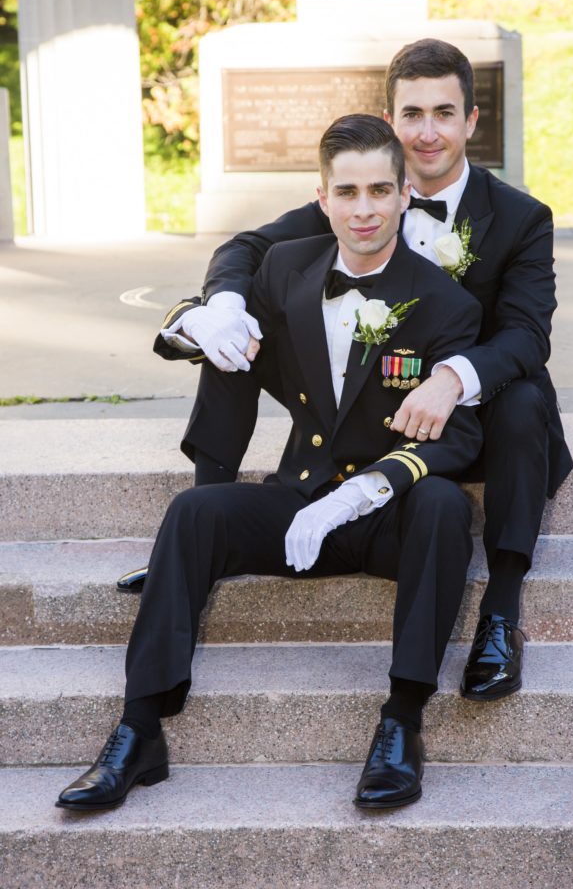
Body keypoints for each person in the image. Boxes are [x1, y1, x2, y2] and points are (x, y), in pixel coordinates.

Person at [121, 37, 573, 703]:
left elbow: (527, 334)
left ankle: (501, 612)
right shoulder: (365, 191)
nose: (427, 132)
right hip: (372, 406)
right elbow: (246, 248)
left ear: (471, 122)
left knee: (522, 398)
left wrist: (451, 378)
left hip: (467, 415)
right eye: (411, 114)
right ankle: (200, 524)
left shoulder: (518, 217)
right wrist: (221, 305)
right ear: (390, 122)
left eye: (443, 113)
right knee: (238, 329)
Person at [57, 115, 483, 812]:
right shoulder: (287, 268)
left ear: (405, 195)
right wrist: (194, 319)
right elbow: (216, 324)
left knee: (442, 504)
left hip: (383, 517)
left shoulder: (445, 302)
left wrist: (367, 489)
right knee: (194, 512)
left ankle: (401, 723)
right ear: (322, 198)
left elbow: (458, 438)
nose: (364, 209)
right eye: (347, 192)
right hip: (299, 498)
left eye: (380, 190)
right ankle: (139, 731)